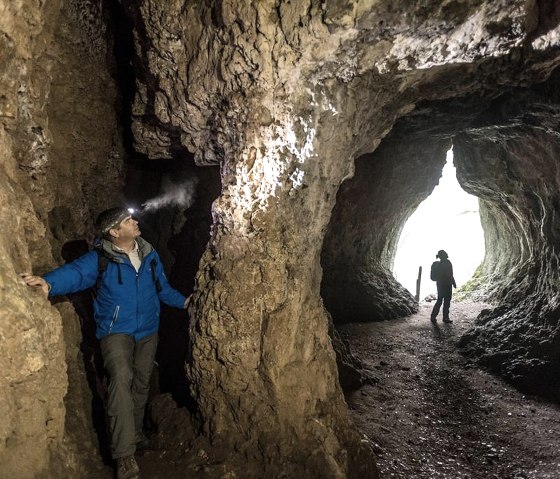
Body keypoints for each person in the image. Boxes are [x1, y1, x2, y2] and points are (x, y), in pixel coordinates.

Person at [22, 207, 187, 479]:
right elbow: (74, 274)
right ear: (114, 231)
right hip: (115, 331)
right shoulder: (100, 259)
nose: (135, 222)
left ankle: (134, 434)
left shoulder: (149, 253)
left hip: (147, 329)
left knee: (141, 381)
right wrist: (47, 283)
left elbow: (163, 289)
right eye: (128, 220)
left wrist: (185, 302)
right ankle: (124, 455)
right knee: (121, 379)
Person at [430, 249, 456, 324]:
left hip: (444, 284)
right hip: (444, 285)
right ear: (443, 256)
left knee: (444, 301)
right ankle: (438, 317)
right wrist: (453, 282)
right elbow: (449, 274)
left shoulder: (446, 263)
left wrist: (453, 282)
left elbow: (451, 274)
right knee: (441, 301)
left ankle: (439, 317)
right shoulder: (442, 264)